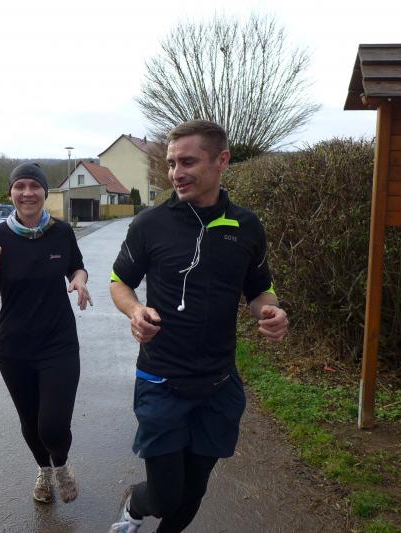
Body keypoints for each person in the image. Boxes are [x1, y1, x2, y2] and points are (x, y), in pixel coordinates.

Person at [108, 120, 289, 532]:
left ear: (221, 160)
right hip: (161, 380)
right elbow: (120, 282)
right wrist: (135, 310)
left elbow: (261, 290)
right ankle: (135, 504)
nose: (176, 173)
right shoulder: (150, 224)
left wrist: (271, 312)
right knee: (165, 495)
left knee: (192, 494)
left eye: (187, 162)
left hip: (218, 384)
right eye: (171, 163)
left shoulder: (246, 226)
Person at [0, 161, 92, 505]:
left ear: (45, 192)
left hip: (59, 343)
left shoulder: (61, 232)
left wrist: (79, 280)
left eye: (34, 186)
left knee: (53, 424)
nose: (27, 192)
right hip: (14, 347)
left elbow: (76, 266)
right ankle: (44, 470)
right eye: (20, 186)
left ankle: (61, 465)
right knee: (30, 422)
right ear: (11, 194)